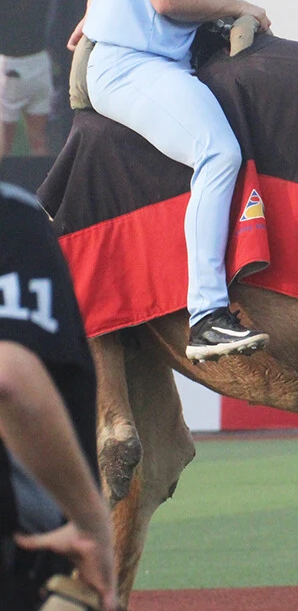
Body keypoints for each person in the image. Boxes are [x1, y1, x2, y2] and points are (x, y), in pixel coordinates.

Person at [68, 0, 295, 362]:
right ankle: (206, 316)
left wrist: (96, 7)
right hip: (130, 64)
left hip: (145, 59)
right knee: (217, 152)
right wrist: (240, 5)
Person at [0, 182, 118, 610]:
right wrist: (90, 524)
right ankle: (207, 306)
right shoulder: (10, 216)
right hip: (20, 554)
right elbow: (10, 377)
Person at [0, 0, 59, 160]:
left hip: (11, 72)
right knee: (39, 143)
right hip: (40, 68)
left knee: (5, 147)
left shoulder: (5, 0)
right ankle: (41, 192)